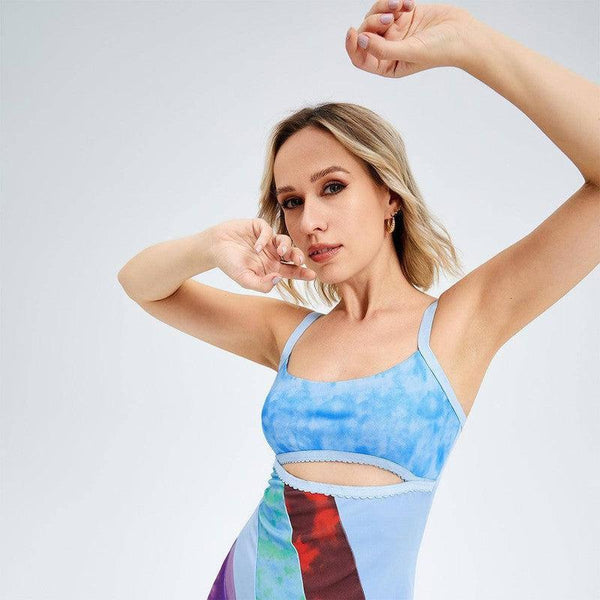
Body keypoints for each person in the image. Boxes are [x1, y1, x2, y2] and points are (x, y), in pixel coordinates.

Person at [117, 1, 599, 598]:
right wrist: (209, 245)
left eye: (333, 187)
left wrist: (469, 44)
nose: (310, 221)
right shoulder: (290, 334)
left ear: (389, 195)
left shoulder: (456, 327)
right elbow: (141, 284)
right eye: (291, 202)